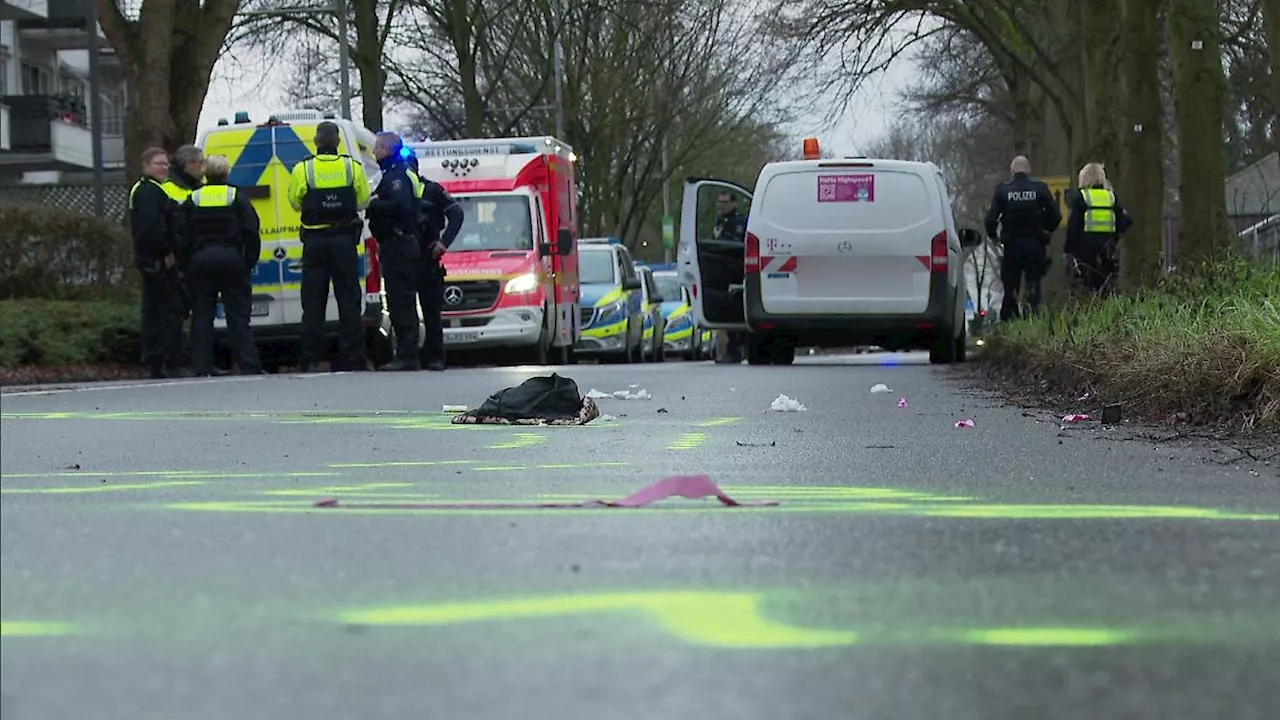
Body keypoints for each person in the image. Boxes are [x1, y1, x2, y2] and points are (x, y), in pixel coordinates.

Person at [286, 121, 371, 372]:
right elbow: (363, 200)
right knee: (349, 299)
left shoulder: (303, 169)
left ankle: (311, 359)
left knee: (313, 302)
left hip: (314, 241)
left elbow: (294, 201)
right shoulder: (352, 167)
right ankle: (352, 358)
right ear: (337, 142)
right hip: (344, 240)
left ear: (316, 141)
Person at [174, 154, 265, 377]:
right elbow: (251, 231)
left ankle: (201, 365)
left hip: (200, 261)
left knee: (202, 314)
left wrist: (186, 264)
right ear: (226, 173)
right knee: (238, 314)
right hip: (231, 259)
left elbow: (180, 234)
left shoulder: (193, 198)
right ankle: (247, 363)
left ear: (205, 173)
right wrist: (247, 262)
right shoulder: (236, 197)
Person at [129, 147, 192, 379]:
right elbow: (151, 228)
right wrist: (166, 251)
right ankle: (166, 361)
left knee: (155, 310)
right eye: (158, 163)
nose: (164, 167)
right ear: (146, 166)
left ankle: (155, 360)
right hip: (157, 261)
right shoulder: (148, 192)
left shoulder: (150, 189)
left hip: (151, 259)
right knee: (168, 311)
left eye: (166, 163)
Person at [367, 133, 423, 371]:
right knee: (398, 299)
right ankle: (405, 352)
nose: (374, 152)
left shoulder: (397, 177)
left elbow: (402, 207)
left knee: (401, 300)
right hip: (395, 244)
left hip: (399, 244)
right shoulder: (391, 175)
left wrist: (375, 204)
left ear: (388, 150)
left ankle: (408, 355)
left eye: (378, 147)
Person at [983, 155, 1063, 321]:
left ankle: (1010, 321)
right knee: (1034, 282)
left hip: (1011, 247)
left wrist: (994, 237)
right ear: (1029, 170)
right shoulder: (1040, 189)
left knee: (1010, 286)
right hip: (1035, 245)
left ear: (1012, 171)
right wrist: (1046, 229)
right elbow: (1056, 216)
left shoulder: (1003, 191)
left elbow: (990, 219)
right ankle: (1032, 315)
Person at [407, 153, 464, 371]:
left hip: (427, 253)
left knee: (431, 309)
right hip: (403, 255)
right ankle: (410, 354)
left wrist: (443, 243)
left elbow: (456, 214)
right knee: (404, 308)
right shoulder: (392, 190)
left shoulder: (432, 190)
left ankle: (435, 357)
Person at [1065, 162, 1132, 295]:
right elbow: (1126, 220)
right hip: (1108, 250)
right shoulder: (1111, 197)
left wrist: (1068, 250)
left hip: (1085, 252)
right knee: (1106, 288)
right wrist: (1115, 237)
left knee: (1087, 288)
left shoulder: (1081, 198)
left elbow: (1074, 227)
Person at [712, 191, 748, 364]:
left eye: (725, 202)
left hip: (737, 270)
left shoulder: (739, 222)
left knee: (736, 310)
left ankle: (737, 348)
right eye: (719, 203)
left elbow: (736, 245)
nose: (721, 206)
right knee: (725, 310)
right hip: (722, 271)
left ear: (733, 203)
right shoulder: (720, 222)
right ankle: (731, 349)